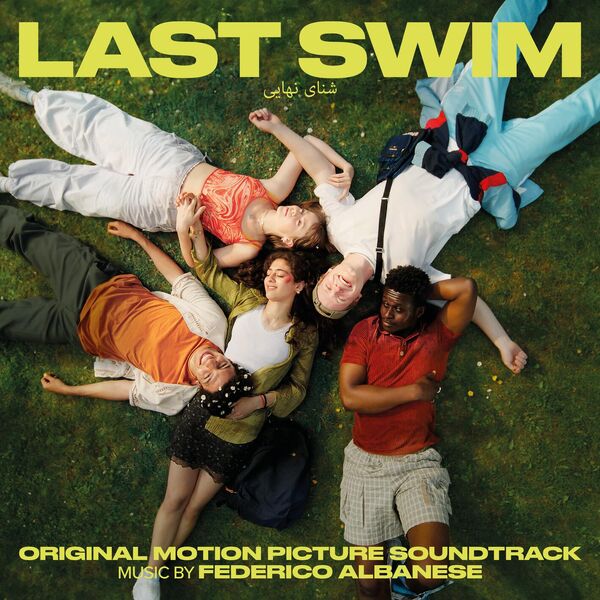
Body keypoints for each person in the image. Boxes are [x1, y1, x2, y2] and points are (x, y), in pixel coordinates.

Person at [306, 0, 599, 339]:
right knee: (575, 116)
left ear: (325, 275)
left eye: (328, 288)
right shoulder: (401, 280)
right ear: (357, 298)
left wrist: (280, 129)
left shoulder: (337, 228)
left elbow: (319, 172)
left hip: (456, 132)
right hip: (492, 169)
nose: (338, 288)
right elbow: (464, 297)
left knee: (499, 42)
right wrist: (503, 342)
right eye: (341, 299)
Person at [131, 198, 320, 600]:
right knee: (175, 498)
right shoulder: (247, 301)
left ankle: (154, 574)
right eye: (269, 273)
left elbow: (298, 391)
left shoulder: (302, 334)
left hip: (240, 434)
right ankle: (149, 576)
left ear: (300, 285)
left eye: (281, 275)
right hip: (201, 416)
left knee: (194, 507)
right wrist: (193, 230)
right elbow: (207, 270)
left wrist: (259, 403)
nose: (271, 280)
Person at [0, 82, 338, 268]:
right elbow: (304, 147)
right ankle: (37, 98)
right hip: (171, 161)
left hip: (157, 205)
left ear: (288, 242)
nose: (295, 211)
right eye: (302, 211)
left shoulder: (248, 246)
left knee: (84, 192)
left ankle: (10, 184)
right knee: (104, 127)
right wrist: (280, 129)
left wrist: (184, 227)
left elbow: (199, 264)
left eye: (298, 222)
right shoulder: (274, 190)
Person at [0, 204, 245, 411]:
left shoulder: (174, 393)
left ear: (200, 386)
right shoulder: (212, 323)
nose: (210, 362)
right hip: (96, 283)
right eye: (222, 364)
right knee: (22, 234)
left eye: (208, 375)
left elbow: (127, 390)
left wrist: (70, 390)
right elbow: (177, 278)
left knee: (5, 323)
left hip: (78, 331)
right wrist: (138, 237)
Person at [338, 265, 478, 600]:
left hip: (417, 463)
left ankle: (406, 586)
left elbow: (466, 289)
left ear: (418, 311)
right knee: (369, 586)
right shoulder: (365, 331)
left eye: (399, 309)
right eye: (386, 304)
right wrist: (413, 392)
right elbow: (351, 396)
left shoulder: (438, 335)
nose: (387, 314)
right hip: (366, 465)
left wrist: (416, 292)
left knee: (431, 574)